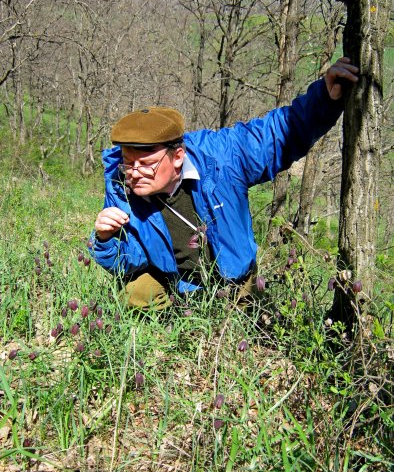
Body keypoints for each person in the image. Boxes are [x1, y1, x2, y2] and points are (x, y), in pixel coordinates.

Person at [89, 57, 359, 309]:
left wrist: (324, 97)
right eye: (128, 161)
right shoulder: (120, 184)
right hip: (175, 284)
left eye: (146, 163)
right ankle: (169, 333)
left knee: (256, 327)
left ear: (178, 156)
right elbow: (130, 259)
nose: (134, 172)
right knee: (135, 293)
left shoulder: (220, 157)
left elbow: (274, 135)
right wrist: (105, 239)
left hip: (234, 280)